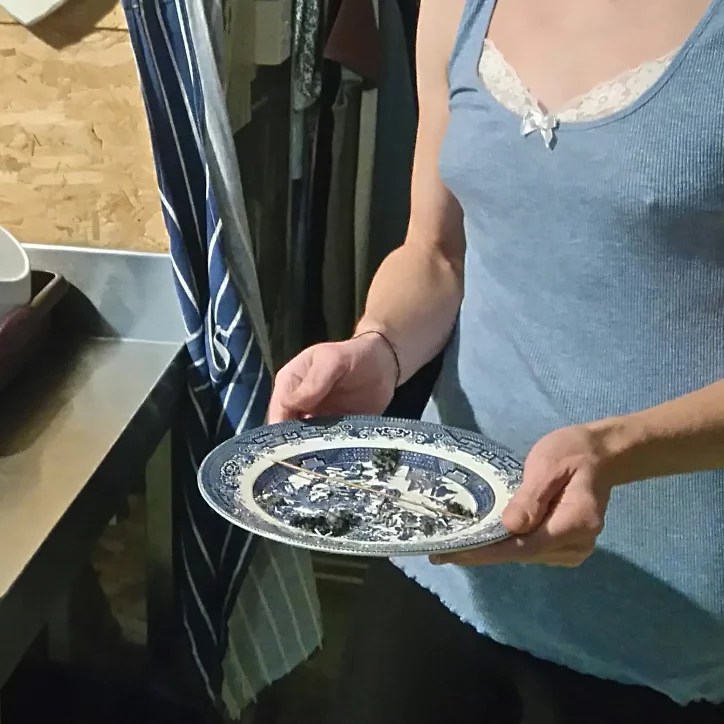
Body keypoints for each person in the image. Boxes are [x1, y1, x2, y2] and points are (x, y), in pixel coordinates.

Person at [268, 0, 724, 721]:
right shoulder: (457, 7)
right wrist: (378, 348)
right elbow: (436, 253)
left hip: (664, 623)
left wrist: (619, 448)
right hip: (445, 547)